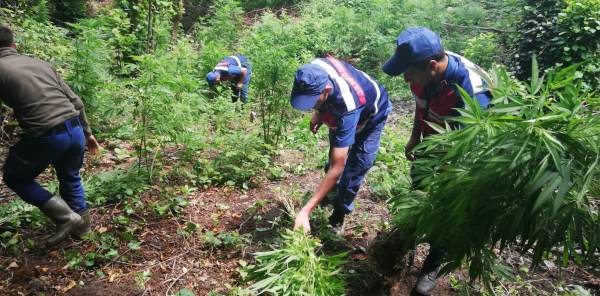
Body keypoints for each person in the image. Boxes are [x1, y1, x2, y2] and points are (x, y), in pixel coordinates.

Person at [382, 27, 492, 295]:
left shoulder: (473, 90)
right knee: (419, 188)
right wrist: (414, 137)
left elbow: (473, 142)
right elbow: (422, 105)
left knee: (445, 206)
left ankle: (433, 262)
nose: (406, 78)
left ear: (432, 66)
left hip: (462, 153)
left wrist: (449, 172)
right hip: (432, 139)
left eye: (409, 71)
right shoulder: (425, 71)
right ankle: (406, 239)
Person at [0, 25, 100, 248]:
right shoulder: (40, 64)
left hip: (47, 134)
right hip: (74, 129)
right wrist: (88, 133)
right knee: (70, 175)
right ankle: (83, 231)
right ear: (14, 45)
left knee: (15, 178)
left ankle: (66, 218)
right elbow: (76, 101)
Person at [290, 55, 392, 234]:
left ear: (327, 91)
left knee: (354, 168)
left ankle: (339, 213)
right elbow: (318, 94)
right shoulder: (313, 70)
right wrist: (320, 113)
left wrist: (305, 211)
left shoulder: (346, 107)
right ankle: (328, 195)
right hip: (342, 106)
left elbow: (338, 167)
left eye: (314, 101)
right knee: (333, 160)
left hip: (372, 116)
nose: (310, 105)